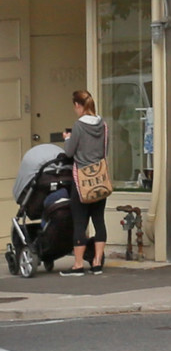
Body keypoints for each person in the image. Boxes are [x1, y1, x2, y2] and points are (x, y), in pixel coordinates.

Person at [57, 90, 107, 277]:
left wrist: (67, 139)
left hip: (82, 180)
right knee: (99, 220)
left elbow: (70, 153)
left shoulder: (78, 126)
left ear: (78, 105)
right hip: (99, 178)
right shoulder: (103, 124)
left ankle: (78, 265)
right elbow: (105, 150)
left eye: (74, 106)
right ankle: (97, 262)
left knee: (79, 221)